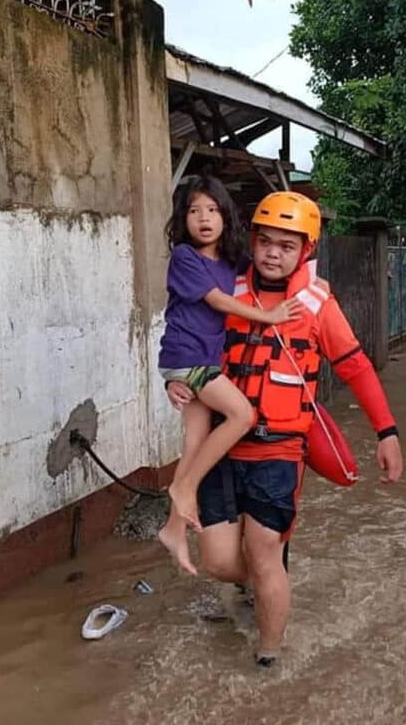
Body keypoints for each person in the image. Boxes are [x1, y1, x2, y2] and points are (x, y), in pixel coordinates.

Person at [166, 191, 405, 666]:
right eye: (266, 242)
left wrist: (387, 431)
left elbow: (355, 367)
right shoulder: (226, 288)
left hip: (278, 452)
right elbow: (186, 337)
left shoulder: (317, 304)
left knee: (264, 550)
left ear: (306, 251)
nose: (274, 253)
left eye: (287, 246)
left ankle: (269, 658)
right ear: (251, 242)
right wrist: (176, 381)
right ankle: (262, 577)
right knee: (217, 561)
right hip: (222, 448)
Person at [156, 176, 303, 576]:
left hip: (198, 364)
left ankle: (172, 528)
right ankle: (184, 489)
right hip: (190, 359)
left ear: (225, 217)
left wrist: (313, 280)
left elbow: (270, 262)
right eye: (193, 210)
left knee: (195, 441)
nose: (203, 218)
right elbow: (218, 301)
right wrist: (270, 316)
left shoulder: (231, 261)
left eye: (212, 209)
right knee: (242, 415)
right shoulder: (186, 258)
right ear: (182, 219)